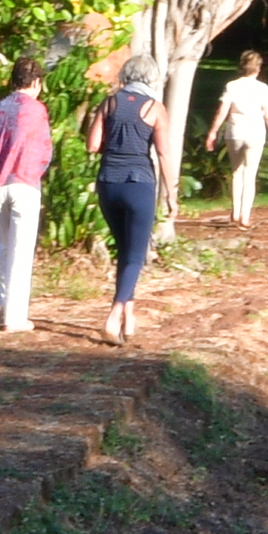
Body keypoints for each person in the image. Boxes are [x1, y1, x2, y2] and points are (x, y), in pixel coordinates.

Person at [0, 48, 54, 333]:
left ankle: (3, 304)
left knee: (5, 247)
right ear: (35, 83)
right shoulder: (37, 109)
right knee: (22, 251)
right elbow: (44, 149)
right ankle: (14, 317)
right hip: (24, 182)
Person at [93, 58, 173, 344]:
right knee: (136, 255)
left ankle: (129, 316)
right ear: (152, 79)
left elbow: (92, 145)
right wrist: (172, 194)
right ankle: (113, 318)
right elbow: (163, 154)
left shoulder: (109, 103)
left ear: (125, 75)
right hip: (139, 183)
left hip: (108, 183)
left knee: (125, 251)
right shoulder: (155, 108)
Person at [208, 48, 268, 225]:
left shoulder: (232, 86)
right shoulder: (262, 88)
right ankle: (245, 216)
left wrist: (213, 131)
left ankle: (235, 211)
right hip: (255, 132)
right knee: (250, 174)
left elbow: (222, 111)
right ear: (258, 68)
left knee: (237, 172)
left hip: (235, 131)